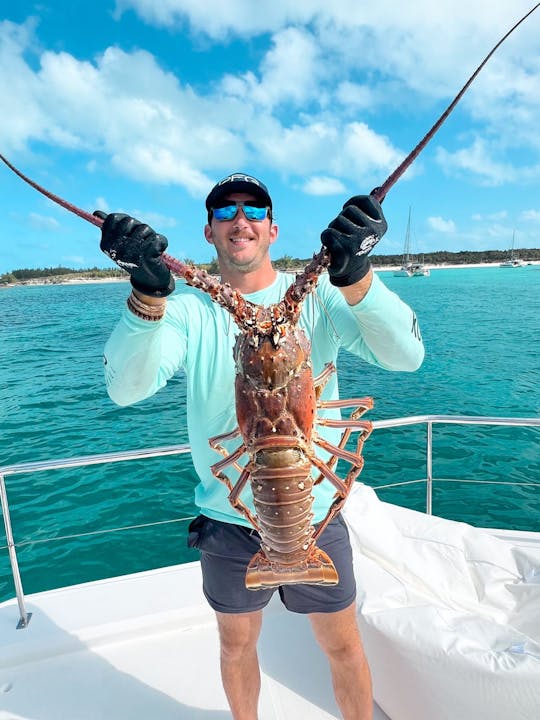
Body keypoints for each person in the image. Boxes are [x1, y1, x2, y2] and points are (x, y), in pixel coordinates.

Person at [96, 172, 424, 720]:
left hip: (317, 514)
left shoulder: (319, 299)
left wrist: (357, 276)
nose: (239, 220)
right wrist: (148, 296)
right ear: (209, 231)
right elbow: (124, 389)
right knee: (236, 645)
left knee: (343, 644)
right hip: (229, 522)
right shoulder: (186, 314)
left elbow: (406, 357)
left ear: (272, 229)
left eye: (252, 211)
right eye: (225, 213)